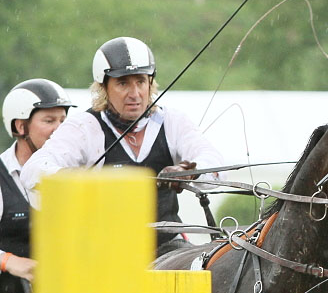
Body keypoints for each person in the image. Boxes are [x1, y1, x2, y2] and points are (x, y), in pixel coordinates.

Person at [21, 37, 224, 257]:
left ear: (150, 83)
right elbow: (33, 170)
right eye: (123, 83)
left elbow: (213, 163)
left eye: (140, 82)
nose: (135, 94)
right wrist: (74, 178)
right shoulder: (84, 127)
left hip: (167, 247)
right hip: (104, 251)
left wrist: (188, 171)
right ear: (104, 87)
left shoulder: (172, 121)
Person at [0, 78, 73, 293]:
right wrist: (11, 262)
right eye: (49, 121)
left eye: (63, 120)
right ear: (20, 127)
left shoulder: (73, 171)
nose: (60, 129)